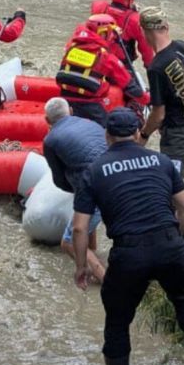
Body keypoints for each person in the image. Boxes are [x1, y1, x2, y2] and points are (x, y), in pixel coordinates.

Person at [71, 107, 184, 365]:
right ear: (136, 132)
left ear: (107, 136)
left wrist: (81, 266)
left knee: (118, 323)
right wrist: (173, 238)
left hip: (129, 255)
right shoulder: (162, 161)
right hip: (170, 246)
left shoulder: (94, 171)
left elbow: (78, 229)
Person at [138, 6, 184, 178]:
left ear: (144, 31)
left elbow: (158, 114)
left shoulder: (156, 67)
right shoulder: (182, 46)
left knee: (171, 186)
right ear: (166, 27)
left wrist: (143, 135)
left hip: (177, 136)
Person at [42, 97, 107, 282]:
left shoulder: (50, 140)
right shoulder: (91, 124)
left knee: (69, 242)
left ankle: (107, 282)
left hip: (94, 185)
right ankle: (93, 253)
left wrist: (76, 190)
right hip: (116, 179)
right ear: (70, 111)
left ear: (47, 121)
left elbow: (59, 179)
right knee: (84, 219)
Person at [56, 14, 149, 126]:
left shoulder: (71, 46)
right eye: (111, 34)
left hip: (65, 100)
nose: (113, 37)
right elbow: (129, 85)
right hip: (90, 105)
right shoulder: (106, 57)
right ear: (104, 33)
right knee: (107, 131)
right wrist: (147, 99)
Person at [90, 0, 155, 68]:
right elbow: (146, 48)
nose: (133, 1)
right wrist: (149, 65)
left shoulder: (99, 7)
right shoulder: (135, 20)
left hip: (97, 56)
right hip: (120, 63)